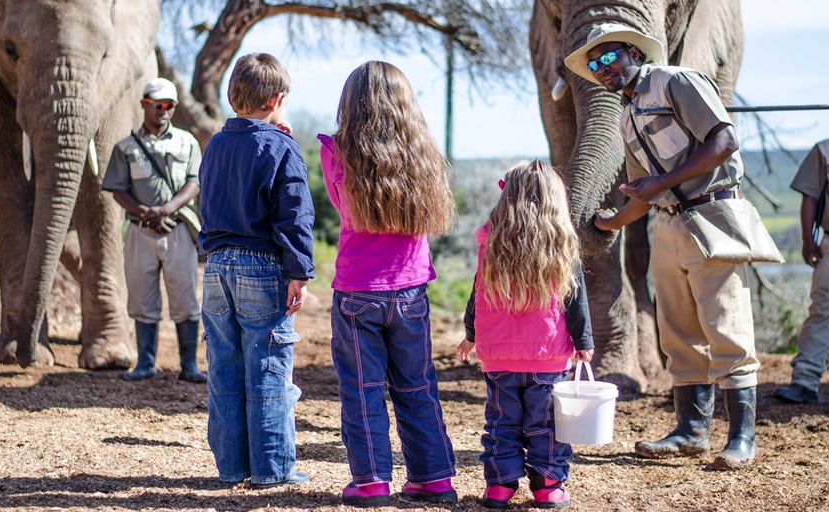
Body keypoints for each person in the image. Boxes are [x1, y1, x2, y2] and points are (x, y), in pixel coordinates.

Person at [565, 23, 760, 470]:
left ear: (633, 51)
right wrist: (611, 221)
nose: (601, 69)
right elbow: (643, 191)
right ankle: (691, 431)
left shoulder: (676, 81)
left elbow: (724, 141)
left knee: (726, 326)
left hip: (714, 215)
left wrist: (662, 183)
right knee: (678, 333)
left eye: (608, 57)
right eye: (593, 65)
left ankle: (741, 438)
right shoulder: (627, 113)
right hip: (669, 224)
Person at [318, 61, 457, 507]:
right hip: (411, 289)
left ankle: (373, 481)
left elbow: (342, 207)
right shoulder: (424, 153)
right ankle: (433, 479)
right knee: (417, 387)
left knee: (363, 390)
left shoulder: (334, 151)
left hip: (358, 289)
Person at [198, 53, 314, 486]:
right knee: (268, 368)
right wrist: (298, 271)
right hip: (261, 265)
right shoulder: (282, 147)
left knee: (224, 368)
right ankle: (272, 468)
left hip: (216, 266)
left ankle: (232, 467)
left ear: (233, 96)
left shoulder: (215, 145)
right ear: (277, 99)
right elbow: (295, 214)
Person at [455, 160, 594, 510]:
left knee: (501, 422)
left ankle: (499, 487)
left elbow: (477, 292)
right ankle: (547, 486)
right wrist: (584, 341)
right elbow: (575, 299)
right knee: (546, 424)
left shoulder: (491, 240)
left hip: (498, 353)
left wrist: (471, 333)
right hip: (547, 354)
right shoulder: (560, 242)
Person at [101, 77, 206, 383]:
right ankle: (145, 363)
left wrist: (166, 209)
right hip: (140, 231)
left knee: (185, 297)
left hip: (177, 231)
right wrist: (142, 212)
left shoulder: (187, 142)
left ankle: (189, 366)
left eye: (168, 105)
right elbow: (117, 188)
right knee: (142, 298)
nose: (162, 110)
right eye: (155, 105)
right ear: (144, 105)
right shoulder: (126, 147)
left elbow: (194, 182)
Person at [774, 86, 829, 405]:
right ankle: (805, 381)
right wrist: (808, 239)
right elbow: (810, 196)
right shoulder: (825, 149)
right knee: (822, 312)